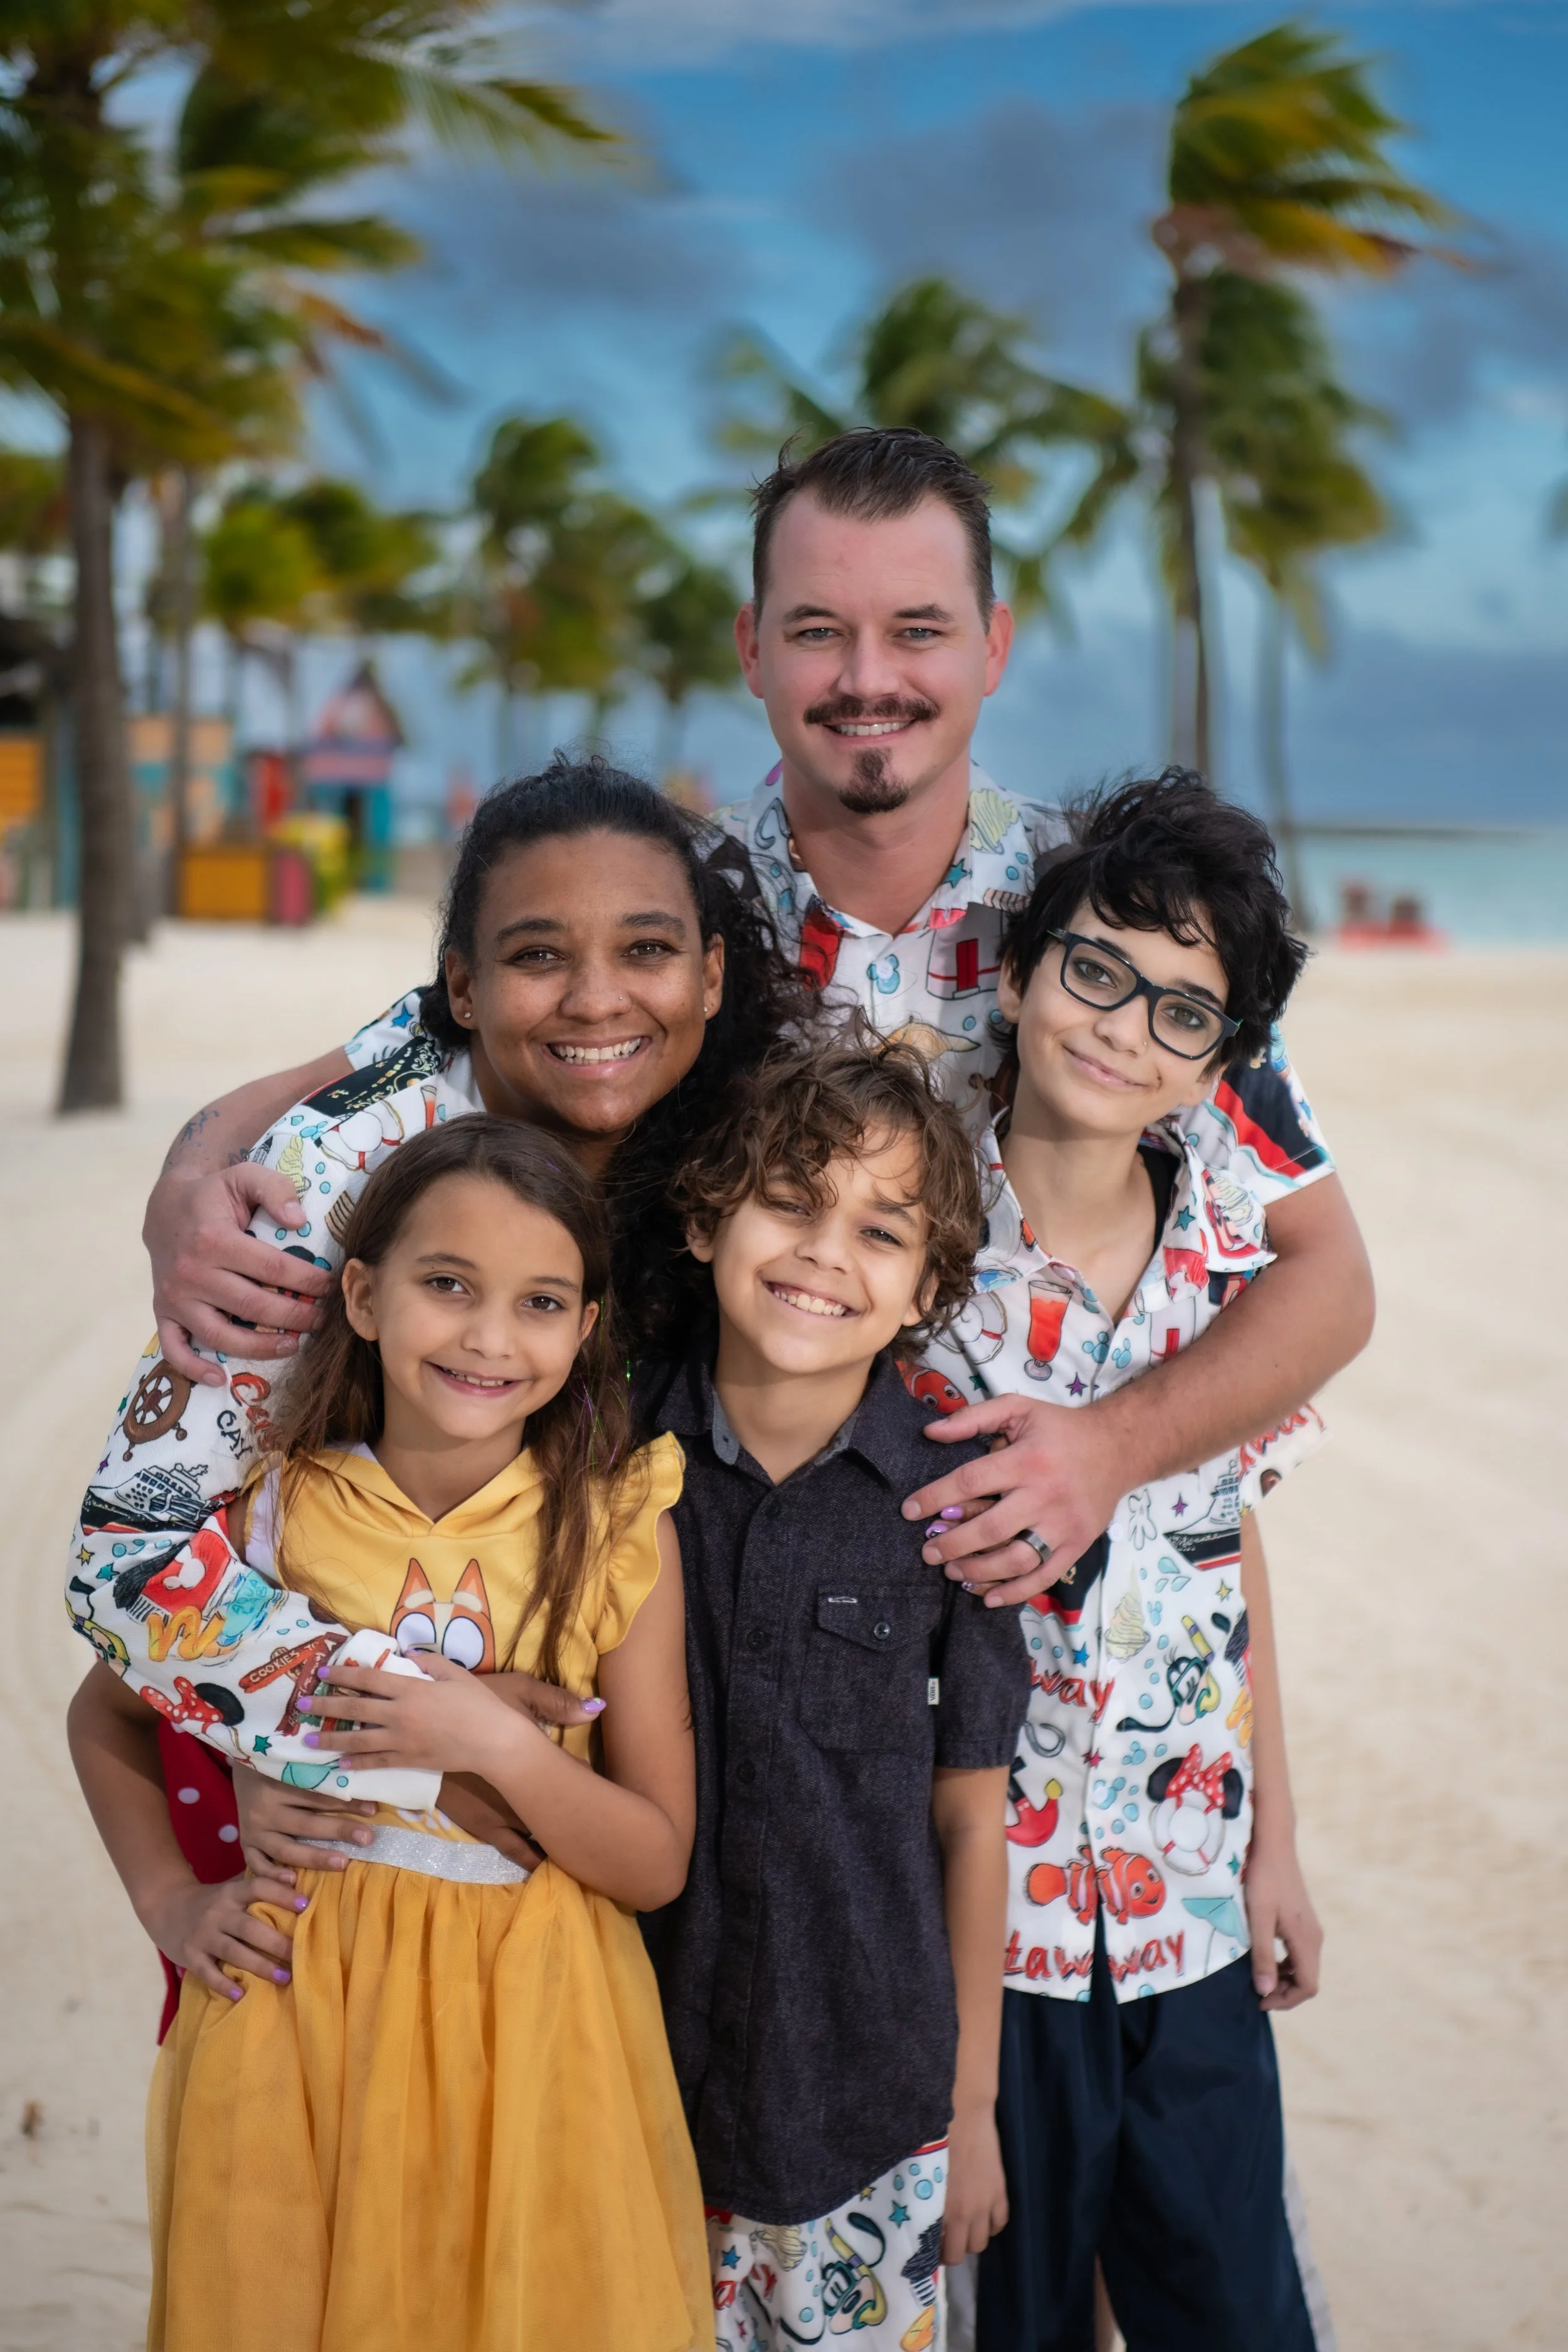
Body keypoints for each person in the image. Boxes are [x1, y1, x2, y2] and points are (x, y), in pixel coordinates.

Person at [135, 427, 1372, 1618]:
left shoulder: (1102, 925)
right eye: (818, 632)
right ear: (751, 647)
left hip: (1047, 1605)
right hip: (735, 1569)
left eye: (917, 632)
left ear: (991, 646)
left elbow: (1328, 1274)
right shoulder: (669, 910)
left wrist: (1109, 1447)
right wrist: (189, 1173)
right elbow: (389, 1052)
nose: (867, 678)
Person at [67, 755, 808, 1905]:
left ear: (711, 976)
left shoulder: (734, 1145)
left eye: (647, 949)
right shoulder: (339, 1192)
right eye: (539, 955)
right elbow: (126, 1559)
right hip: (344, 1882)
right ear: (464, 988)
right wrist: (390, 1727)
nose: (598, 997)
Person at [67, 1117, 711, 2352]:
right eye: (447, 1285)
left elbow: (652, 1861)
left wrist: (500, 1746)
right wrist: (169, 1903)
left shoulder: (618, 1526)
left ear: (584, 1335)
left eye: (538, 1302)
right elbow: (106, 1712)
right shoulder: (269, 1513)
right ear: (361, 1294)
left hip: (535, 2019)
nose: (486, 1335)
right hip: (297, 2008)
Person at [916, 775, 1330, 2352]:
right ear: (1018, 972)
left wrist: (1273, 1840)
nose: (1120, 1028)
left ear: (1214, 1069)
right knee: (1008, 2322)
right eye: (1094, 969)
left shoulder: (1231, 1269)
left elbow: (1232, 1561)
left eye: (1181, 1012)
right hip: (982, 1934)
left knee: (1234, 2313)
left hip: (1192, 1918)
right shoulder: (906, 1250)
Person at [636, 1031, 1030, 2352]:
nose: (822, 1254)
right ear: (705, 1218)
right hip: (626, 2076)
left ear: (925, 1287)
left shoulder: (949, 1508)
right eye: (790, 1203)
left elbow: (972, 1821)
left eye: (879, 1231)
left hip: (869, 2102)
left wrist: (970, 2109)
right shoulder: (612, 1455)